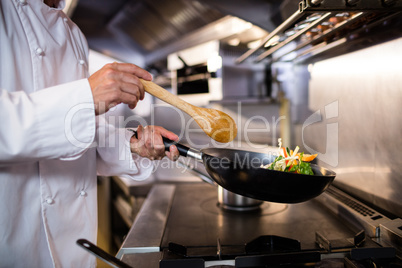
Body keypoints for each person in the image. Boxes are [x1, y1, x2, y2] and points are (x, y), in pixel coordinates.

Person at [0, 0, 180, 267]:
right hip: (16, 243)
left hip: (73, 247)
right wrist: (85, 98)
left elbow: (71, 132)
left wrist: (131, 143)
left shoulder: (74, 35)